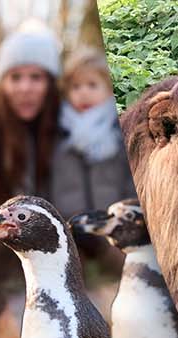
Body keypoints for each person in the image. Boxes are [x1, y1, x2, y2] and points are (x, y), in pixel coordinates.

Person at [0, 20, 63, 338]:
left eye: (36, 77)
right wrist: (5, 302)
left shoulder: (72, 137)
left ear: (51, 83)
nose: (25, 88)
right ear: (2, 83)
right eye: (16, 77)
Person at [53, 46, 136, 219]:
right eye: (75, 87)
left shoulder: (117, 128)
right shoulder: (60, 130)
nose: (83, 93)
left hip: (114, 220)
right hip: (72, 223)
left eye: (92, 85)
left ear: (107, 88)